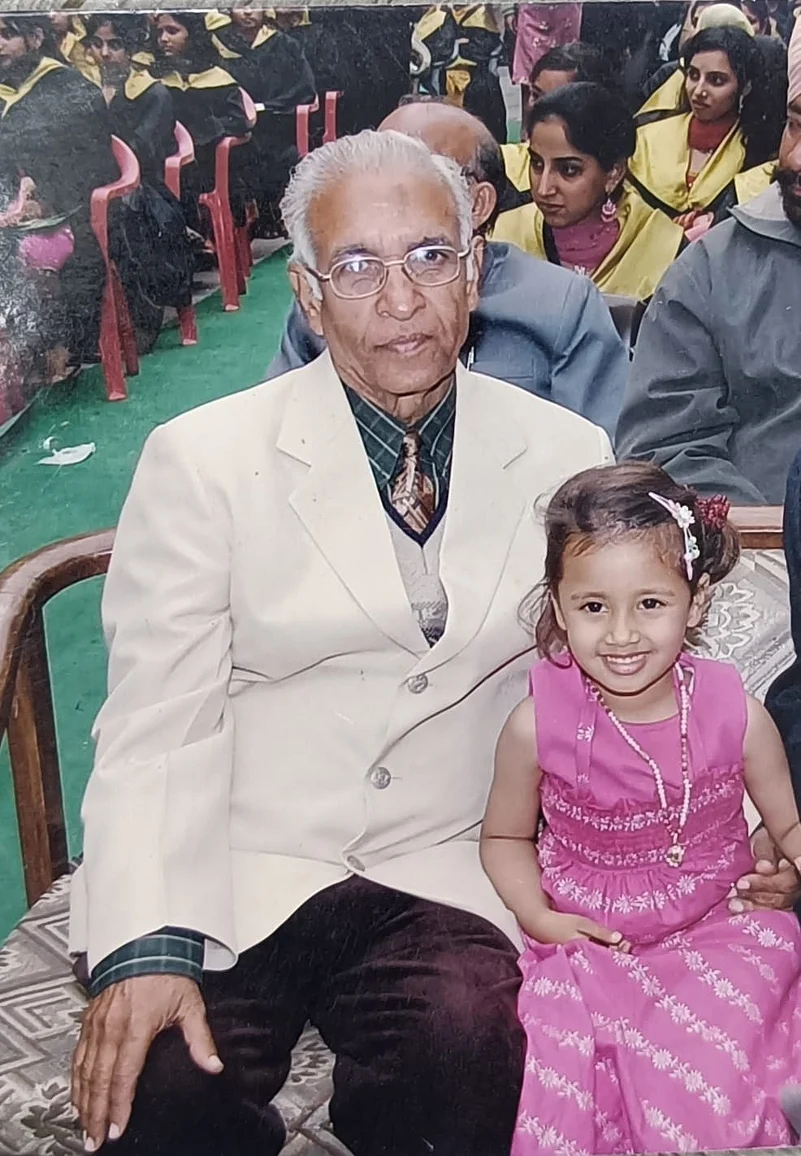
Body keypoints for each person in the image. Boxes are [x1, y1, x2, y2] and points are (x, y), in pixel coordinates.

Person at [68, 128, 615, 1156]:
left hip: (439, 862)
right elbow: (153, 721)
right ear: (309, 299)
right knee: (159, 1096)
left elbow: (602, 678)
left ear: (476, 269)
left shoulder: (565, 452)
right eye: (356, 266)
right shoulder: (204, 460)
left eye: (429, 257)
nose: (401, 298)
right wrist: (143, 946)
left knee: (463, 1063)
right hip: (239, 851)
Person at [481, 459, 801, 1153]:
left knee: (765, 971)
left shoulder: (737, 715)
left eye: (650, 604)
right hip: (594, 944)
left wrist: (791, 870)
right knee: (565, 1048)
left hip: (717, 926)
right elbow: (503, 838)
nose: (621, 635)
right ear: (559, 607)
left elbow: (788, 825)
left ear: (697, 601)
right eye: (593, 607)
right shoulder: (536, 726)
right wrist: (538, 916)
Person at [268, 98, 630, 438]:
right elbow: (284, 436)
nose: (401, 303)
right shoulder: (332, 298)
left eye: (423, 167)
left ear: (478, 203)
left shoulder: (561, 303)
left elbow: (596, 460)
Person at [615, 15, 801, 503]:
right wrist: (772, 547)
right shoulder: (712, 271)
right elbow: (665, 448)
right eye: (796, 124)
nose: (796, 158)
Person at [492, 83, 685, 300]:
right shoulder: (503, 236)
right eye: (536, 164)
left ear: (613, 173)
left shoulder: (663, 247)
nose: (543, 188)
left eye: (569, 170)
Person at [0, 13, 117, 370]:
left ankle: (52, 355)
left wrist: (37, 196)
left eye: (7, 35)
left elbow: (88, 165)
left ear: (36, 38)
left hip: (68, 211)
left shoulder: (70, 88)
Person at [84, 14, 192, 354]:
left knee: (132, 226)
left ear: (131, 49)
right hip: (94, 188)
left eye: (114, 45)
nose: (105, 53)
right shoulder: (84, 92)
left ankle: (141, 321)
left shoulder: (153, 94)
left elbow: (140, 153)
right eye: (97, 44)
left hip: (142, 187)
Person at [629, 26, 786, 225]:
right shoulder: (646, 136)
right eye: (693, 75)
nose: (698, 91)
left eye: (716, 80)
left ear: (745, 87)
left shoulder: (758, 154)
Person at [209, 8, 316, 235]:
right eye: (240, 5)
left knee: (276, 156)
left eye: (253, 4)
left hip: (277, 124)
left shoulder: (285, 44)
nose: (248, 12)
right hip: (239, 129)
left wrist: (266, 107)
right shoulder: (220, 47)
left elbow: (304, 88)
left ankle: (274, 218)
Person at [150, 13, 249, 233]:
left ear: (192, 35)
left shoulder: (217, 78)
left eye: (172, 31)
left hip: (208, 162)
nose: (163, 39)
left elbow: (239, 121)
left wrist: (204, 132)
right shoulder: (155, 79)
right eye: (159, 32)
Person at [500, 41, 617, 209]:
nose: (538, 108)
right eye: (536, 95)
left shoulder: (616, 184)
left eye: (570, 170)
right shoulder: (501, 165)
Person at [414, 5, 507, 142]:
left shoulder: (482, 15)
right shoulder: (435, 16)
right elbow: (425, 54)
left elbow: (493, 47)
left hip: (478, 83)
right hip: (443, 85)